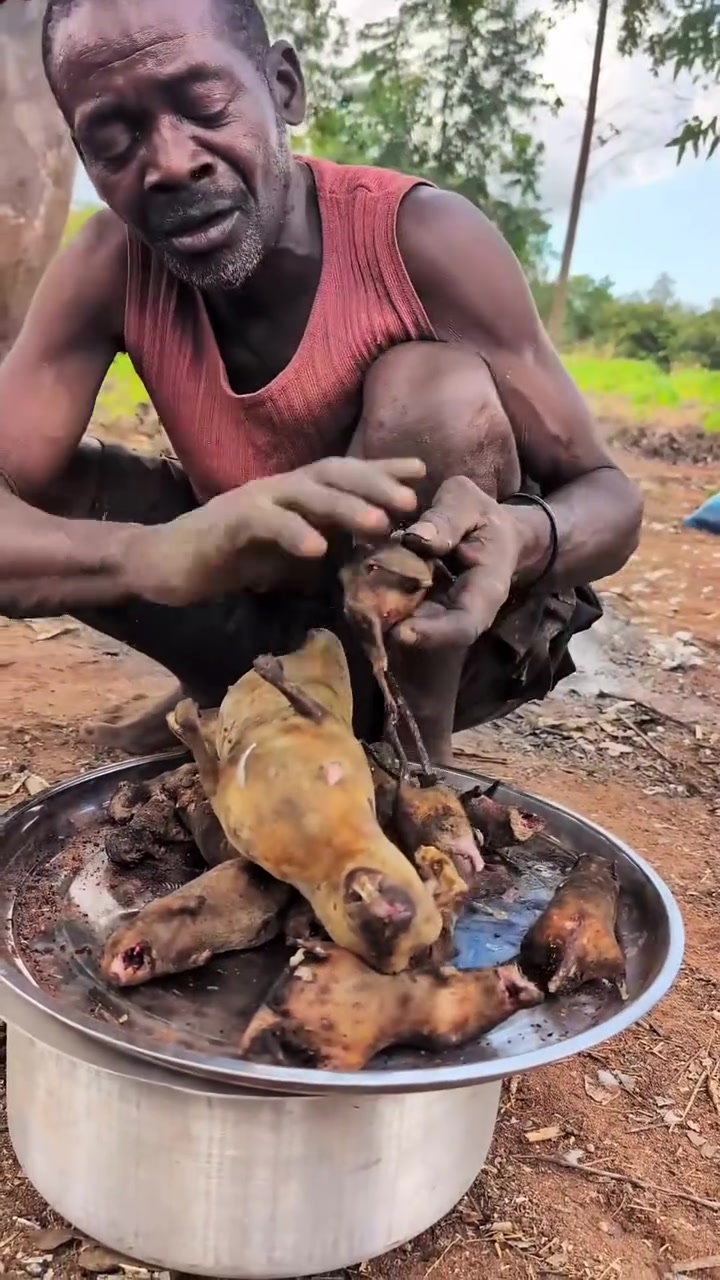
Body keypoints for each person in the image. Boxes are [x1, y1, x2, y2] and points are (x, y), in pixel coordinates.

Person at [0, 0, 642, 765]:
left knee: (430, 394)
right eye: (114, 137)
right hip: (272, 606)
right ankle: (234, 688)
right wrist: (153, 554)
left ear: (283, 87)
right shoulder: (110, 264)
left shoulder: (421, 239)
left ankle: (412, 758)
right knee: (39, 486)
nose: (171, 161)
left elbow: (610, 494)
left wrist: (522, 536)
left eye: (204, 102)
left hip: (461, 636)